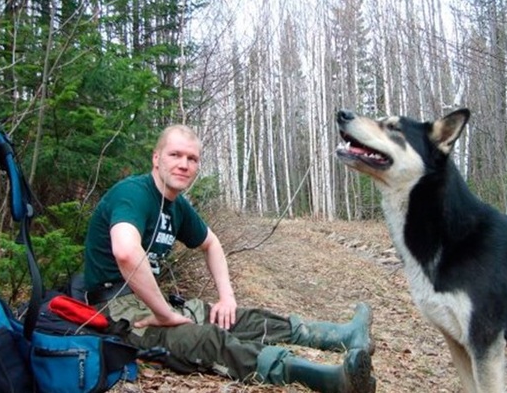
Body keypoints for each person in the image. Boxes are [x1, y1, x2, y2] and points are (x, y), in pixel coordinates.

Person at [82, 124, 376, 393]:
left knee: (240, 318)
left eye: (192, 159)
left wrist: (227, 298)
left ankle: (343, 335)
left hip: (151, 302)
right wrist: (165, 314)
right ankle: (328, 378)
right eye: (175, 155)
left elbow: (211, 243)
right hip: (118, 312)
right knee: (210, 339)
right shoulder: (133, 194)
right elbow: (125, 252)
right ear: (156, 159)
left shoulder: (176, 206)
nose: (184, 164)